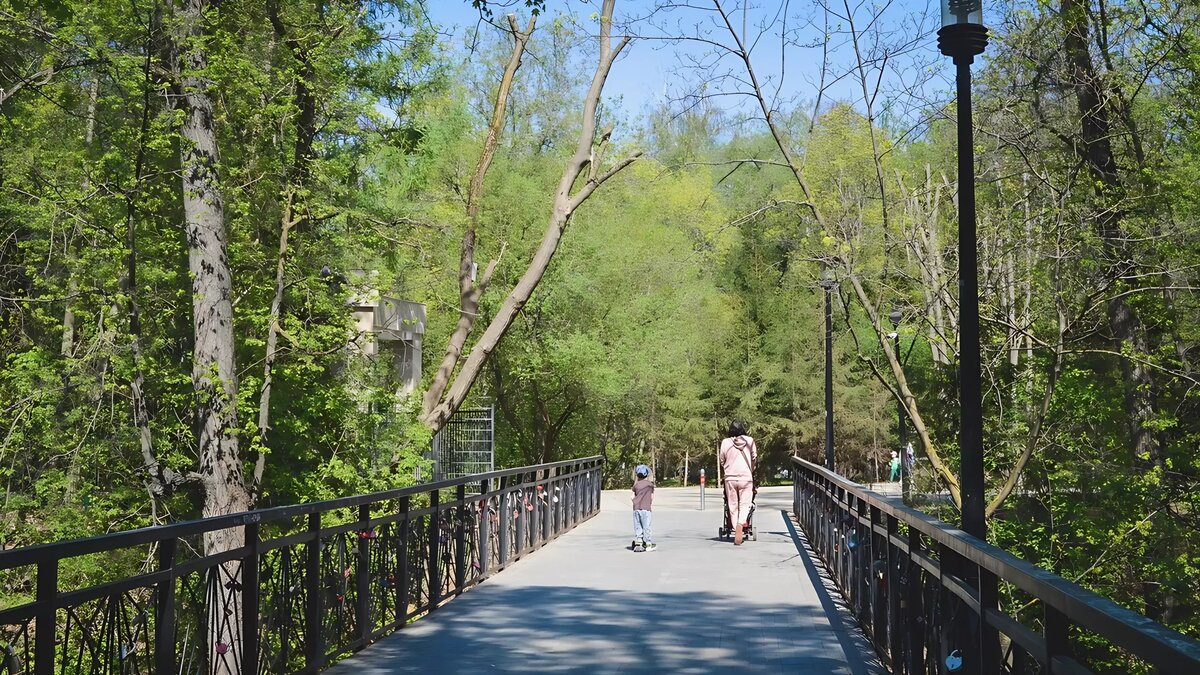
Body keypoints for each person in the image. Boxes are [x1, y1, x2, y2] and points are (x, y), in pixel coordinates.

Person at [719, 421, 757, 545]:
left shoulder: (725, 442)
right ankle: (741, 524)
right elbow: (754, 458)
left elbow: (722, 460)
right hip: (746, 477)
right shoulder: (750, 441)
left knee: (733, 504)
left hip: (730, 477)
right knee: (745, 504)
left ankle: (735, 527)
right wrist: (751, 470)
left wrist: (728, 468)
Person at [632, 464, 656, 552]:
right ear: (647, 474)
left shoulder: (636, 486)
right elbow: (652, 497)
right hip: (646, 508)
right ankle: (648, 543)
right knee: (646, 526)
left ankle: (639, 543)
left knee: (638, 526)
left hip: (636, 508)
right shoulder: (650, 485)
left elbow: (632, 497)